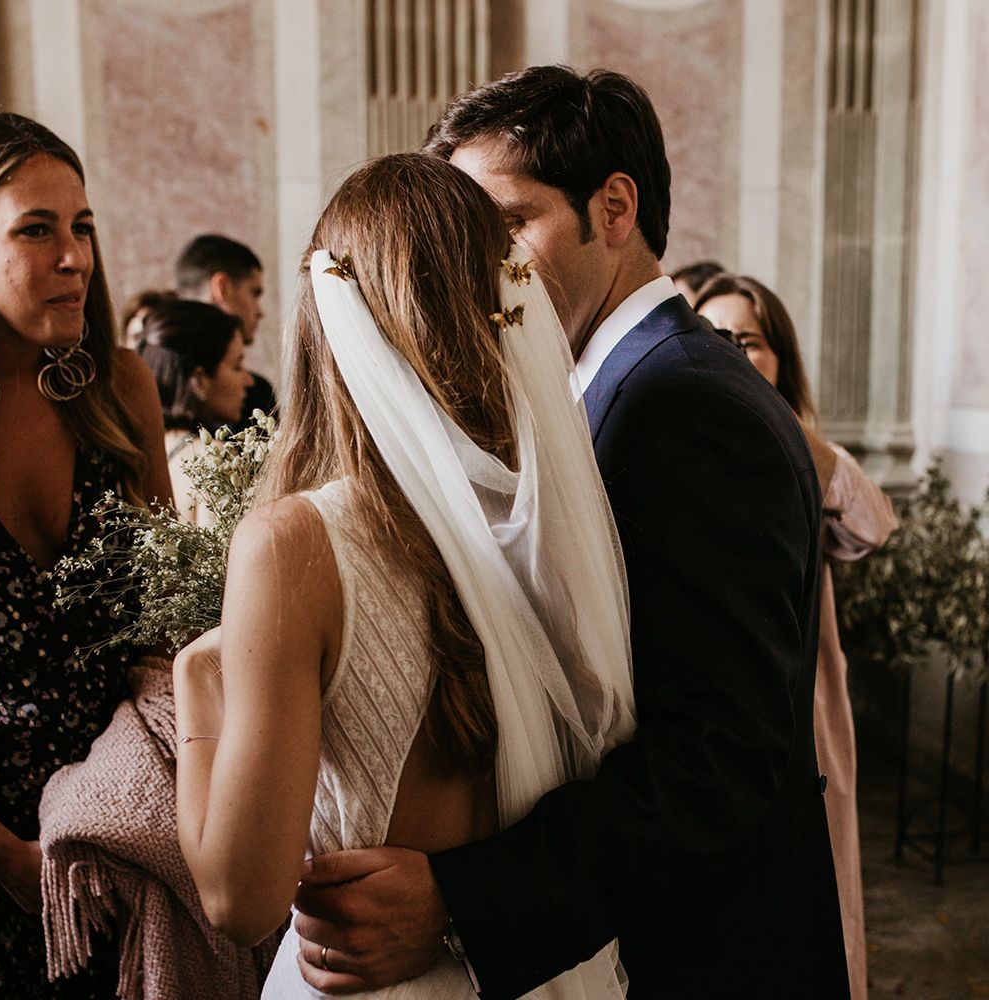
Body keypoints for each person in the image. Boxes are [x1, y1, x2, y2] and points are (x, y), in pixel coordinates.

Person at [295, 66, 851, 1000]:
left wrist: (463, 899)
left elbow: (716, 758)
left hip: (703, 956)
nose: (479, 267)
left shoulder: (682, 404)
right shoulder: (613, 386)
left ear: (614, 207)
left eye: (506, 225)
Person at [172, 152, 634, 999]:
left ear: (328, 320)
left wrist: (198, 683)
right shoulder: (544, 520)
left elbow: (240, 899)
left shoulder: (296, 546)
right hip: (523, 966)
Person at [0, 111, 172, 999]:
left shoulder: (120, 387)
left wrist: (146, 804)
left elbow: (170, 618)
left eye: (83, 226)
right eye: (36, 229)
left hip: (119, 843)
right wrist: (6, 858)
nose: (75, 258)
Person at [696, 272, 898, 1000]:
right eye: (714, 338)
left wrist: (777, 424)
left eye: (748, 342)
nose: (731, 354)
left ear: (780, 357)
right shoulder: (688, 448)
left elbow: (872, 524)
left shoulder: (804, 453)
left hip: (805, 715)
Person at [136, 298, 253, 524]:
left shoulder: (144, 451)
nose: (248, 380)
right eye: (237, 365)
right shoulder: (214, 458)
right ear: (199, 379)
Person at [174, 233, 276, 426]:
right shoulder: (254, 394)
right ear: (222, 287)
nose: (260, 311)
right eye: (254, 293)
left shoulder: (151, 382)